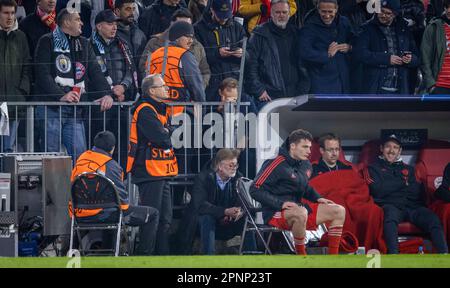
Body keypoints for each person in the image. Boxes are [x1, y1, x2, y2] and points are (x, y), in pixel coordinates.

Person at [250, 129, 346, 255]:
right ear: (293, 146)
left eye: (310, 147)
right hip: (275, 212)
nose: (309, 151)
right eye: (305, 147)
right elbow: (255, 189)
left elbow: (304, 187)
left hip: (300, 210)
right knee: (301, 213)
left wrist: (318, 198)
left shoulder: (305, 164)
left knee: (338, 210)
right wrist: (280, 204)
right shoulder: (275, 163)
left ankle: (333, 258)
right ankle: (301, 257)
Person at [34, 8, 113, 161]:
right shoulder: (47, 40)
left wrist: (107, 94)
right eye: (77, 19)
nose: (82, 23)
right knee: (51, 156)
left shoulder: (84, 43)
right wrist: (61, 95)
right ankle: (51, 186)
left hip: (75, 111)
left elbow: (95, 71)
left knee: (79, 155)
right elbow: (42, 74)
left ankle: (76, 185)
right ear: (66, 22)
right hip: (51, 108)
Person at [70, 131, 159, 255]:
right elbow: (123, 203)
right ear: (113, 148)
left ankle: (102, 254)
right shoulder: (112, 166)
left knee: (111, 209)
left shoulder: (80, 161)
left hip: (79, 215)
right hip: (105, 215)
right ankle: (142, 256)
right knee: (153, 214)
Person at [365, 134, 448, 254]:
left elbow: (416, 193)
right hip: (391, 206)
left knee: (433, 219)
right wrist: (403, 183)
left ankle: (444, 256)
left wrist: (391, 185)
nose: (391, 150)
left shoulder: (409, 169)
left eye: (395, 147)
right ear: (382, 148)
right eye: (388, 147)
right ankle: (394, 256)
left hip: (412, 207)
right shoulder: (373, 168)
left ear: (400, 151)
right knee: (390, 218)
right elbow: (378, 191)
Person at [126, 74, 178, 255]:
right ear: (152, 90)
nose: (166, 88)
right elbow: (162, 139)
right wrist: (167, 131)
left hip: (160, 171)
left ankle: (162, 258)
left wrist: (166, 131)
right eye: (162, 86)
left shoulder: (159, 109)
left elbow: (165, 134)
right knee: (151, 218)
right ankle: (145, 257)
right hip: (148, 172)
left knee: (165, 218)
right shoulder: (145, 110)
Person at [90, 9, 137, 168]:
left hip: (121, 106)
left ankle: (120, 180)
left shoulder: (123, 43)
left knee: (122, 147)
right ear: (98, 26)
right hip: (100, 106)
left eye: (115, 24)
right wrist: (111, 93)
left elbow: (131, 71)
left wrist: (123, 87)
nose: (114, 27)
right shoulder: (89, 45)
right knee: (100, 147)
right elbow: (91, 75)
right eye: (110, 24)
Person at [190, 148, 255, 254]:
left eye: (236, 165)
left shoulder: (238, 178)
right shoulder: (203, 178)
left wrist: (239, 211)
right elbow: (201, 205)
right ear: (220, 166)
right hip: (206, 223)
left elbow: (245, 201)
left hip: (230, 221)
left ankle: (253, 257)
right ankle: (209, 259)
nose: (234, 168)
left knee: (247, 219)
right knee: (207, 218)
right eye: (231, 165)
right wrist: (224, 212)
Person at [245, 0, 309, 108]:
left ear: (289, 14)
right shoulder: (259, 34)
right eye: (277, 12)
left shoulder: (296, 33)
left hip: (295, 96)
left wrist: (303, 89)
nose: (281, 16)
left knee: (294, 125)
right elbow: (251, 65)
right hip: (269, 98)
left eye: (284, 12)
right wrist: (259, 90)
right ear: (271, 13)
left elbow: (304, 64)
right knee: (274, 125)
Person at [353, 0, 420, 95]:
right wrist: (386, 59)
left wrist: (410, 59)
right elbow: (360, 54)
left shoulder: (404, 30)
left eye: (388, 13)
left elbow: (417, 57)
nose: (383, 15)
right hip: (375, 89)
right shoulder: (366, 29)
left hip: (401, 90)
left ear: (395, 14)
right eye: (381, 11)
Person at [139, 8, 211, 89]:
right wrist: (156, 88)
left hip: (188, 97)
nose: (184, 29)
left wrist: (197, 88)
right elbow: (143, 68)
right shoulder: (154, 43)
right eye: (180, 25)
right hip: (159, 94)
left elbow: (205, 71)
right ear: (171, 24)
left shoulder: (197, 46)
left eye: (188, 25)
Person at [145, 20, 206, 116]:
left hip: (155, 111)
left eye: (192, 37)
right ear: (176, 37)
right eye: (187, 36)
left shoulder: (154, 54)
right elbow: (196, 85)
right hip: (180, 114)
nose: (191, 41)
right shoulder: (185, 55)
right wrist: (202, 109)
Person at [194, 0, 246, 101]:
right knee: (211, 115)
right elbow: (197, 58)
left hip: (233, 83)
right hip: (211, 83)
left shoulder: (237, 27)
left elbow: (249, 55)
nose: (224, 19)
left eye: (226, 16)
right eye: (220, 16)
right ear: (212, 10)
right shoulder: (198, 29)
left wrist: (242, 54)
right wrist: (217, 54)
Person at [299, 0, 353, 94]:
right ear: (318, 10)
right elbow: (303, 52)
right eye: (323, 11)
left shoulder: (344, 22)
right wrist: (327, 55)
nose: (327, 15)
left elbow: (355, 40)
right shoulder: (309, 27)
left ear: (336, 9)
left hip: (344, 81)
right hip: (321, 83)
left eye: (330, 11)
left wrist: (350, 47)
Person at [0, 0, 31, 152]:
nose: (10, 17)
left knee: (7, 151)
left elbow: (27, 67)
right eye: (5, 13)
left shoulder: (21, 37)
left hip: (14, 105)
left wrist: (21, 92)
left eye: (12, 13)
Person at [421, 0, 450, 95]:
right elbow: (425, 57)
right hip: (440, 86)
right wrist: (431, 85)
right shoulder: (434, 27)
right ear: (445, 9)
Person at [114, 0, 147, 76]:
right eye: (128, 9)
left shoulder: (140, 34)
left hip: (138, 82)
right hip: (120, 83)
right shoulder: (112, 34)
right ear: (117, 11)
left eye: (133, 9)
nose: (132, 13)